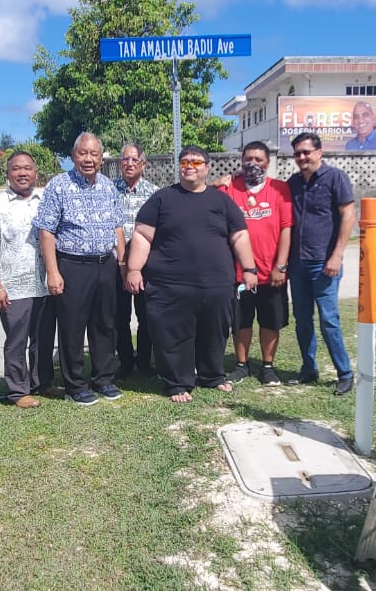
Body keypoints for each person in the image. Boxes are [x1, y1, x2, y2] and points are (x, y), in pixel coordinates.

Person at [125, 145, 257, 404]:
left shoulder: (221, 201)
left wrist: (250, 268)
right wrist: (134, 269)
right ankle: (176, 382)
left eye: (196, 163)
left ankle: (212, 376)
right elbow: (142, 234)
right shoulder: (162, 199)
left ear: (207, 168)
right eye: (185, 162)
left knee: (215, 332)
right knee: (173, 334)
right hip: (170, 286)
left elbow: (239, 235)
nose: (189, 167)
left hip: (217, 284)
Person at [33, 133, 125, 405]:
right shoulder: (58, 186)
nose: (88, 159)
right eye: (83, 153)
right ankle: (75, 384)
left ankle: (103, 379)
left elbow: (117, 227)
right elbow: (46, 230)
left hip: (104, 265)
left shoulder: (109, 186)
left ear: (101, 157)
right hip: (72, 265)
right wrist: (53, 271)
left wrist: (121, 262)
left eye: (94, 154)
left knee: (105, 325)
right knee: (72, 328)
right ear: (73, 156)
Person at [0, 151, 54, 409]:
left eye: (28, 169)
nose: (23, 173)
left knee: (42, 338)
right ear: (7, 174)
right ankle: (17, 391)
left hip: (43, 283)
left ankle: (42, 382)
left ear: (36, 173)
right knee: (17, 341)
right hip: (13, 285)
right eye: (16, 169)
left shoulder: (45, 200)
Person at [286, 131, 356, 394]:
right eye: (297, 153)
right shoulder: (293, 182)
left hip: (324, 263)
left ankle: (344, 373)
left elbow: (348, 216)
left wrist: (336, 255)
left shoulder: (335, 178)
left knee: (329, 320)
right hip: (298, 263)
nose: (302, 157)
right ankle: (308, 368)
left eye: (306, 152)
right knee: (302, 318)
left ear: (319, 152)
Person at [218, 141, 292, 387]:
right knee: (241, 321)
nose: (253, 164)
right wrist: (218, 180)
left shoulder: (279, 189)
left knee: (270, 321)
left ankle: (268, 367)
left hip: (272, 273)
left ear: (267, 163)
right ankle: (242, 364)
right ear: (241, 160)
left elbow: (286, 229)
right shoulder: (230, 189)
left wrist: (280, 266)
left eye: (259, 160)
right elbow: (201, 192)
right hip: (238, 274)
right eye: (248, 159)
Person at [114, 142, 156, 378]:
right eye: (125, 159)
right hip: (115, 263)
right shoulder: (109, 190)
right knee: (119, 316)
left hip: (144, 265)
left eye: (134, 159)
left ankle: (144, 361)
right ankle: (126, 361)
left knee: (146, 315)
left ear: (143, 164)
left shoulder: (154, 193)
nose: (129, 163)